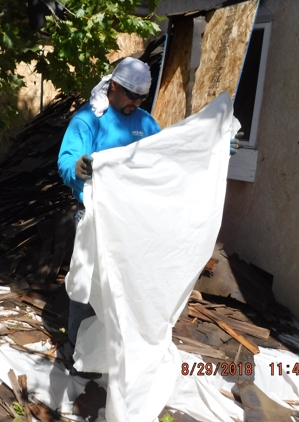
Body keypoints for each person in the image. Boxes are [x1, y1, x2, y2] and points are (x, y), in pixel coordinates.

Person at [58, 57, 240, 374]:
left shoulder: (145, 121)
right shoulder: (89, 121)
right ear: (114, 86)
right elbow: (67, 160)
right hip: (96, 220)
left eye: (142, 97)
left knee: (127, 287)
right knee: (89, 287)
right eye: (132, 96)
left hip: (132, 223)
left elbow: (168, 156)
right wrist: (76, 168)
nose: (137, 103)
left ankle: (117, 351)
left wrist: (215, 148)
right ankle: (79, 352)